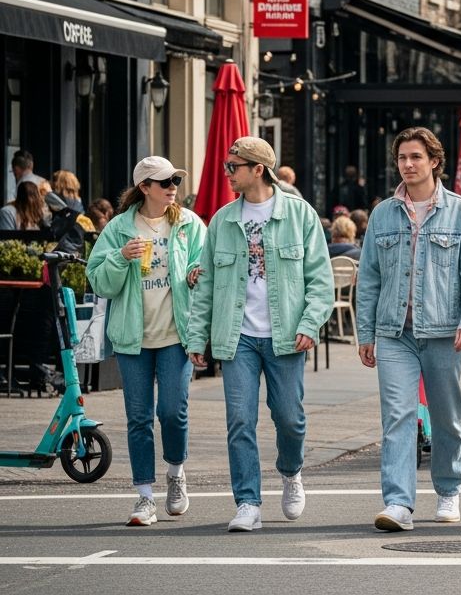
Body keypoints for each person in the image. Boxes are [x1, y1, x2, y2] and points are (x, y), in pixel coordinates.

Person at [185, 136, 334, 533]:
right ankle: (247, 502)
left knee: (290, 418)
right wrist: (197, 337)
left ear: (258, 169)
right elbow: (207, 285)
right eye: (226, 166)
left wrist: (309, 323)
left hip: (286, 335)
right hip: (237, 338)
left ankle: (290, 471)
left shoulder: (300, 216)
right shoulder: (222, 220)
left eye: (233, 166)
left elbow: (320, 280)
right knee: (239, 420)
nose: (227, 173)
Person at [357, 127, 461, 531]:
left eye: (415, 157)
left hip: (445, 332)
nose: (407, 165)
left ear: (434, 161)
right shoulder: (383, 214)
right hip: (395, 333)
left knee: (447, 417)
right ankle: (398, 503)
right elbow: (369, 278)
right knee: (397, 416)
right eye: (402, 158)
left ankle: (448, 489)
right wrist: (365, 333)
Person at [86, 157, 206, 527]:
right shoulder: (120, 228)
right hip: (132, 338)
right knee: (138, 418)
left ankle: (175, 473)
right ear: (144, 188)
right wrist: (121, 258)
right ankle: (144, 497)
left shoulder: (188, 225)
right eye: (164, 181)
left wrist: (196, 277)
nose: (172, 187)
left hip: (176, 335)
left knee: (172, 411)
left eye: (175, 181)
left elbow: (209, 270)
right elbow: (98, 281)